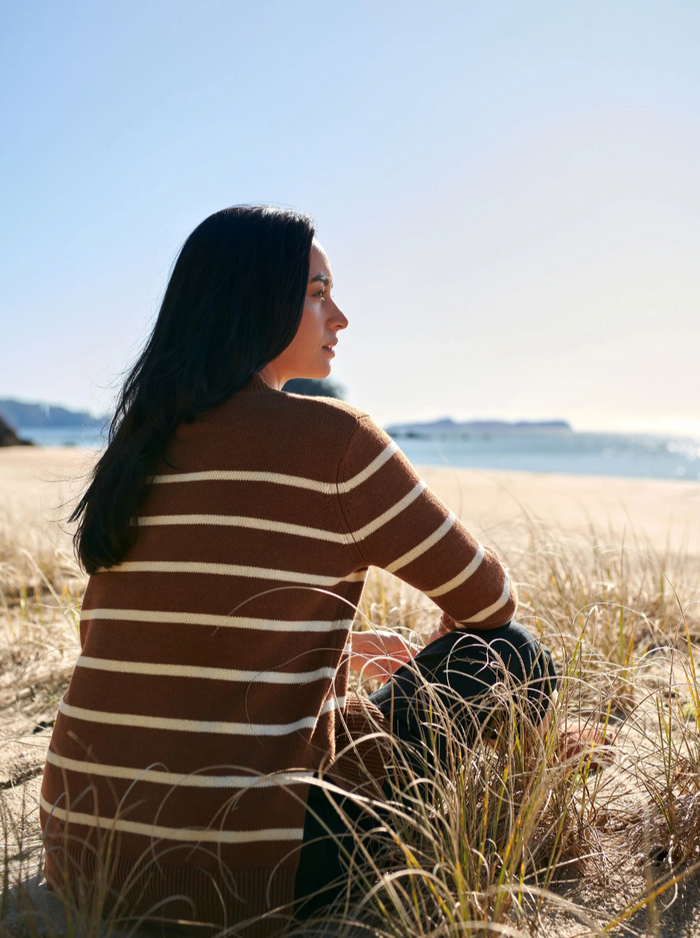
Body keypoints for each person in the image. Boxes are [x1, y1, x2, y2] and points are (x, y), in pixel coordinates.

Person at [39, 205, 557, 934]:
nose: (338, 316)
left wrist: (344, 647)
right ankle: (549, 773)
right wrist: (447, 638)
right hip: (239, 878)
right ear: (254, 300)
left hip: (81, 856)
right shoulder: (336, 440)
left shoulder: (143, 444)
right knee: (512, 654)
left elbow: (186, 632)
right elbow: (491, 600)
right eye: (317, 292)